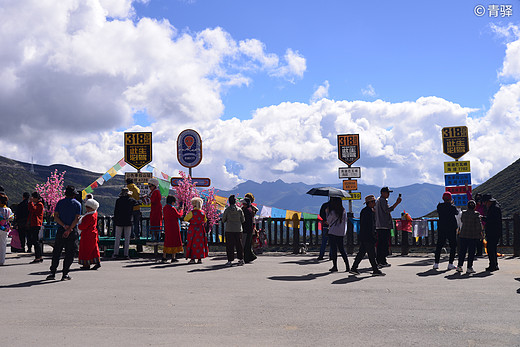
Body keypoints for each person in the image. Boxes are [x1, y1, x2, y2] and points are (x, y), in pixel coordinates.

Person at [46, 186, 82, 281]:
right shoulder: (77, 204)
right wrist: (69, 229)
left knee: (57, 251)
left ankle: (52, 272)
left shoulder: (60, 203)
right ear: (74, 194)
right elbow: (77, 218)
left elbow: (56, 217)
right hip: (72, 230)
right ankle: (65, 273)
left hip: (61, 229)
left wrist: (64, 226)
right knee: (70, 252)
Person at [350, 195, 384, 276]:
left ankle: (354, 268)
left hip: (364, 235)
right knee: (371, 254)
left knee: (362, 253)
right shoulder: (368, 212)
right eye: (373, 202)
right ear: (370, 203)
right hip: (368, 236)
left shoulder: (366, 211)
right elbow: (370, 226)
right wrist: (373, 235)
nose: (374, 203)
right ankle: (375, 270)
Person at [375, 187, 401, 267]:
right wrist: (396, 203)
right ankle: (382, 261)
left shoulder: (378, 200)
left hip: (379, 225)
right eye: (387, 192)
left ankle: (379, 260)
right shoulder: (382, 200)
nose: (388, 194)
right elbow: (387, 210)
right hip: (384, 225)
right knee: (384, 244)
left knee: (380, 244)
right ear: (382, 193)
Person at [433, 191, 459, 270]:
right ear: (450, 198)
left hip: (442, 228)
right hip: (451, 229)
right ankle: (450, 264)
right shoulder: (452, 207)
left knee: (439, 246)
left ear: (443, 198)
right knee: (453, 246)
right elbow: (457, 212)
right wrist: (452, 204)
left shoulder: (439, 206)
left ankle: (436, 263)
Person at [456, 200, 483, 274]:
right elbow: (479, 226)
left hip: (463, 234)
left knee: (462, 251)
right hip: (472, 236)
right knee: (471, 252)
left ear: (467, 206)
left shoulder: (463, 213)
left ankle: (459, 266)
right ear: (474, 207)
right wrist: (480, 233)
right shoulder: (476, 214)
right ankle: (469, 267)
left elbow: (461, 220)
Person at [113, 187, 139, 259]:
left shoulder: (118, 200)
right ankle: (126, 254)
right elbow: (137, 203)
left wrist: (115, 221)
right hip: (128, 221)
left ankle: (115, 254)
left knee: (117, 238)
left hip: (119, 221)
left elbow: (116, 211)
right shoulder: (131, 200)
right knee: (127, 239)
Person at [326, 197, 350, 272]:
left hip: (333, 232)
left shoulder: (332, 212)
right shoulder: (343, 211)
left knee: (334, 250)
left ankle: (335, 266)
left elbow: (328, 221)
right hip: (341, 232)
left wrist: (327, 212)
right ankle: (347, 266)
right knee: (342, 249)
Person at [78, 199, 101, 270]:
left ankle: (86, 264)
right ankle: (96, 262)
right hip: (93, 234)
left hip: (87, 235)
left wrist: (78, 225)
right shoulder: (94, 213)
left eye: (87, 207)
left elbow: (83, 226)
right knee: (93, 249)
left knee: (86, 249)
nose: (86, 208)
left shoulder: (89, 216)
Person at [222, 195, 245, 266]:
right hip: (238, 229)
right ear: (235, 202)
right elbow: (243, 220)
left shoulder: (227, 210)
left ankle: (230, 261)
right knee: (239, 245)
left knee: (230, 245)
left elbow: (223, 220)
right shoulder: (239, 210)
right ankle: (241, 259)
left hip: (229, 229)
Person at [184, 197, 208, 264]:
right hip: (200, 229)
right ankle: (199, 258)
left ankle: (193, 258)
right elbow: (205, 220)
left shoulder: (192, 212)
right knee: (200, 244)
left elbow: (185, 219)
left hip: (193, 229)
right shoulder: (203, 212)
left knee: (192, 243)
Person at [482, 194, 502, 272]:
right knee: (493, 248)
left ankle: (492, 265)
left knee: (491, 249)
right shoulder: (496, 206)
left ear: (488, 202)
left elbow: (491, 220)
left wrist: (483, 218)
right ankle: (494, 264)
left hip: (493, 231)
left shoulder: (494, 208)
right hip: (495, 231)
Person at [162, 195, 184, 263]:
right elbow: (178, 215)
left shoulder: (165, 208)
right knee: (174, 241)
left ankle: (164, 257)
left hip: (167, 226)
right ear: (172, 202)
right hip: (174, 227)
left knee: (167, 241)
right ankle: (173, 257)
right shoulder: (172, 208)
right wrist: (181, 210)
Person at [27, 192, 44, 263]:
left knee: (35, 241)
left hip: (36, 224)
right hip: (34, 224)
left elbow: (34, 210)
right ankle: (39, 256)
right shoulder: (37, 204)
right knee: (35, 240)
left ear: (36, 198)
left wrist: (30, 203)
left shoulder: (40, 204)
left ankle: (38, 257)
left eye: (33, 198)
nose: (32, 199)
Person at [241, 196, 257, 263]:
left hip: (246, 230)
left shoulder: (246, 210)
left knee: (246, 245)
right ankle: (251, 257)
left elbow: (244, 221)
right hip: (249, 229)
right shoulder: (250, 209)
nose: (243, 205)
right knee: (248, 244)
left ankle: (247, 258)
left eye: (244, 203)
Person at [0, 193, 14, 266]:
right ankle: (2, 260)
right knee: (3, 245)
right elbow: (12, 218)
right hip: (5, 228)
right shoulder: (9, 210)